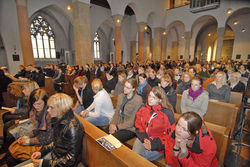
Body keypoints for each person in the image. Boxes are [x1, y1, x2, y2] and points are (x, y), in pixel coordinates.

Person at [27, 93, 84, 167]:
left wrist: (44, 163)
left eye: (51, 107)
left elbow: (71, 159)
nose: (48, 110)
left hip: (61, 163)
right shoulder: (58, 119)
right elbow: (56, 142)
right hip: (55, 157)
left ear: (61, 109)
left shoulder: (73, 127)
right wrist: (41, 152)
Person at [4, 89, 53, 166]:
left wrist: (28, 141)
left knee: (11, 159)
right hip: (41, 138)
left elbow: (49, 138)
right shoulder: (35, 111)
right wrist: (26, 136)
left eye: (39, 104)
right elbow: (37, 129)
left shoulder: (49, 114)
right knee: (11, 151)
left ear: (46, 101)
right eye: (34, 104)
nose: (36, 106)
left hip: (46, 144)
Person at [149, 112, 218, 167]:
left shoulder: (207, 145)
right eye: (178, 124)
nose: (178, 130)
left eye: (184, 129)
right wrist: (176, 147)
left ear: (195, 132)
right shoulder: (173, 131)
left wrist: (184, 151)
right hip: (180, 162)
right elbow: (171, 162)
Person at [132, 86, 175, 161]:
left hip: (159, 144)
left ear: (160, 100)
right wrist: (144, 138)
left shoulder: (167, 113)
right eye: (150, 96)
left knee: (140, 159)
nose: (150, 99)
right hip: (144, 137)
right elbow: (137, 124)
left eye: (154, 97)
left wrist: (153, 144)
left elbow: (170, 136)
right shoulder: (143, 108)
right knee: (133, 155)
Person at [104, 78, 143, 143]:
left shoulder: (138, 100)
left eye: (128, 87)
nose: (125, 88)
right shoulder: (121, 96)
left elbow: (132, 121)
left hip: (130, 128)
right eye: (125, 86)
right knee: (103, 134)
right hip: (118, 123)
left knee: (111, 140)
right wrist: (113, 124)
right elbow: (117, 113)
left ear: (133, 89)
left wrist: (117, 127)